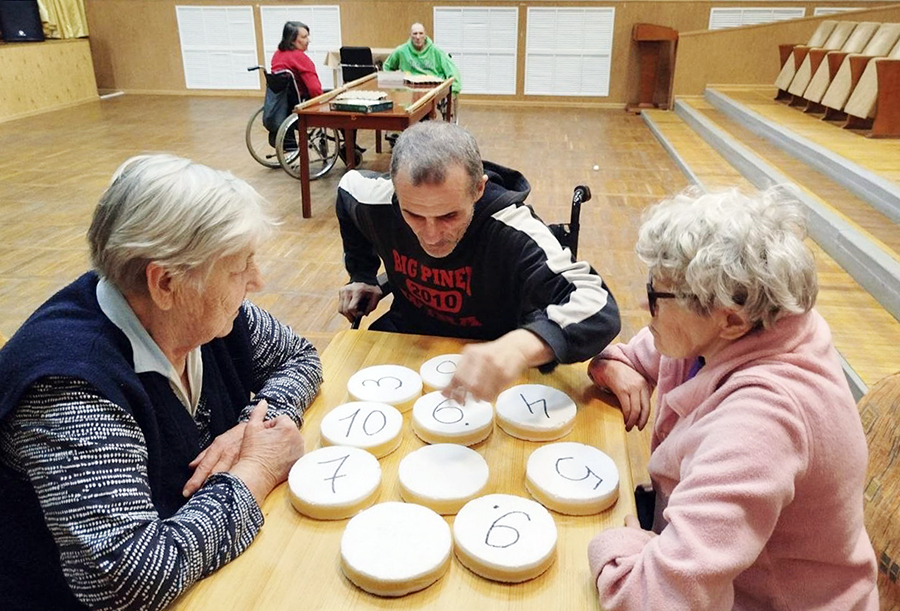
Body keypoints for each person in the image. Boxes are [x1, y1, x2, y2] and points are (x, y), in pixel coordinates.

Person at [0, 155, 324, 611]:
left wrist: (257, 424)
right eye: (240, 267)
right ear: (165, 282)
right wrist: (258, 468)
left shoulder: (203, 313)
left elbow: (299, 357)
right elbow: (128, 578)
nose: (258, 280)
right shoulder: (70, 386)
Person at [586, 189, 878, 610]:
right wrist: (613, 366)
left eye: (655, 298)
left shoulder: (762, 425)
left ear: (731, 320)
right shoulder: (754, 324)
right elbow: (638, 355)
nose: (643, 305)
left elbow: (654, 598)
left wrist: (618, 543)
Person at [336, 121, 620, 402]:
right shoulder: (376, 199)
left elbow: (597, 303)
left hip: (492, 358)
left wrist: (520, 348)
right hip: (407, 338)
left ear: (479, 189)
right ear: (396, 191)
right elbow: (347, 188)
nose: (432, 237)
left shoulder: (514, 228)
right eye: (413, 215)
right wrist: (362, 274)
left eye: (449, 216)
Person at [383, 22, 461, 97]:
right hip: (408, 92)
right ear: (410, 35)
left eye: (421, 33)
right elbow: (387, 67)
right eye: (415, 34)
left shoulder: (437, 52)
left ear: (425, 35)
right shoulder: (401, 51)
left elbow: (453, 73)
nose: (418, 37)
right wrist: (394, 89)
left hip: (432, 93)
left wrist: (453, 92)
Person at [270, 21, 323, 100]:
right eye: (304, 37)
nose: (308, 41)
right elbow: (314, 89)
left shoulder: (277, 55)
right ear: (292, 40)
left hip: (280, 103)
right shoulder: (300, 58)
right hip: (301, 103)